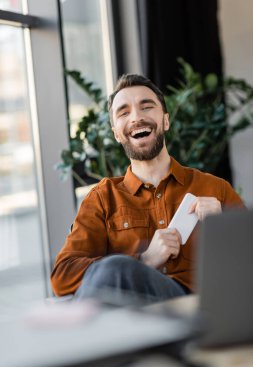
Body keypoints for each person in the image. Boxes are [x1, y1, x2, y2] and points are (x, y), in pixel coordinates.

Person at [51, 74, 244, 304]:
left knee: (114, 270)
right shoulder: (102, 199)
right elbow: (63, 276)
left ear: (165, 121)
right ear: (116, 133)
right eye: (124, 112)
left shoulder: (214, 188)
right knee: (114, 270)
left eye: (146, 107)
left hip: (201, 310)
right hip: (135, 320)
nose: (137, 118)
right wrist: (143, 260)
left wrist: (222, 225)